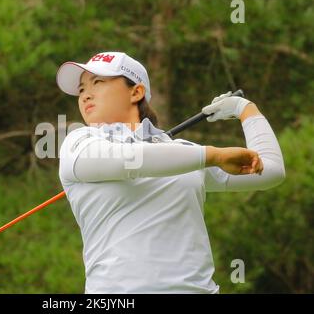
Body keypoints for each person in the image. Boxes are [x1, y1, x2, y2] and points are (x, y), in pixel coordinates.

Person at [55, 51, 285, 293]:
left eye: (98, 82)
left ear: (136, 92)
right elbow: (129, 161)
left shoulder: (182, 152)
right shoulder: (78, 142)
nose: (85, 95)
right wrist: (213, 156)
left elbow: (270, 172)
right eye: (81, 89)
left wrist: (245, 110)